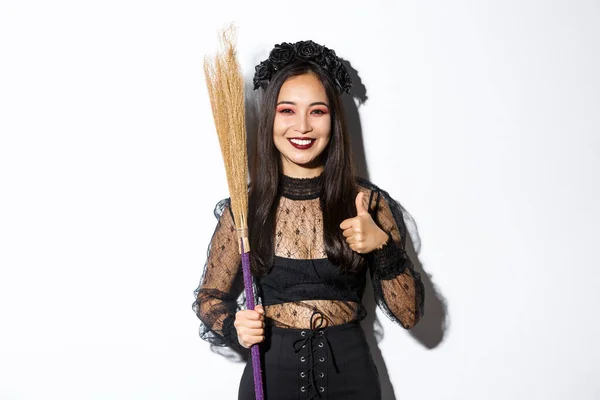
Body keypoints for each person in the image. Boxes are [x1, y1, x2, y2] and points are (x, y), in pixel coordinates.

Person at [193, 40, 425, 400]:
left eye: (317, 111)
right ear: (270, 117)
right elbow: (209, 297)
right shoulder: (244, 209)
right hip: (269, 379)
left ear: (334, 120)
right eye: (287, 110)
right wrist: (233, 324)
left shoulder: (366, 202)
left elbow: (409, 314)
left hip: (352, 379)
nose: (302, 126)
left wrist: (382, 246)